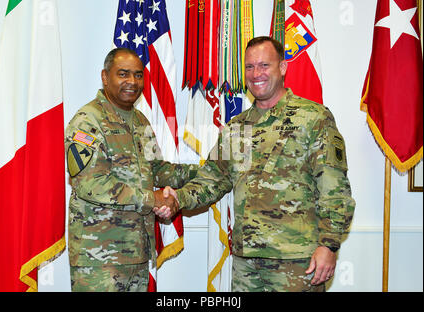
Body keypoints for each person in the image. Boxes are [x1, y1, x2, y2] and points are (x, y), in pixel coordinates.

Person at [155, 36, 355, 292]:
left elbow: (334, 189)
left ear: (282, 68)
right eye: (249, 67)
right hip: (246, 263)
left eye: (264, 65)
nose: (256, 74)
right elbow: (212, 180)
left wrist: (328, 245)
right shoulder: (237, 127)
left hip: (296, 262)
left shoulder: (313, 118)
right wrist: (176, 199)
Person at [65, 48, 196, 291]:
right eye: (123, 74)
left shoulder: (140, 121)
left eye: (138, 75)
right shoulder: (87, 120)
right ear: (105, 77)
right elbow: (90, 184)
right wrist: (152, 199)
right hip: (98, 258)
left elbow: (157, 169)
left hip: (136, 252)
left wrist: (201, 172)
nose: (132, 82)